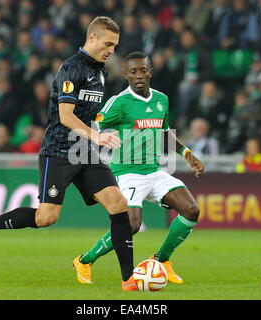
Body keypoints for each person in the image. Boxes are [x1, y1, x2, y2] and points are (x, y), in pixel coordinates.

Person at [0, 16, 139, 291]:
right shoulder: (71, 68)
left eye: (114, 46)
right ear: (92, 38)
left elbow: (91, 115)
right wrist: (97, 135)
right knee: (46, 218)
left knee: (118, 204)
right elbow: (66, 116)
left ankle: (129, 279)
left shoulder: (101, 72)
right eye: (108, 44)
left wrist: (106, 129)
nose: (112, 50)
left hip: (86, 151)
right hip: (59, 150)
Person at [73, 52, 205, 285]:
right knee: (131, 225)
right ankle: (85, 260)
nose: (139, 75)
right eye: (133, 72)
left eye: (143, 70)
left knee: (191, 210)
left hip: (154, 171)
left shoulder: (161, 99)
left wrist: (187, 154)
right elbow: (92, 126)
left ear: (150, 71)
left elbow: (164, 133)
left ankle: (162, 259)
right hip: (127, 173)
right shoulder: (119, 102)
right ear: (125, 75)